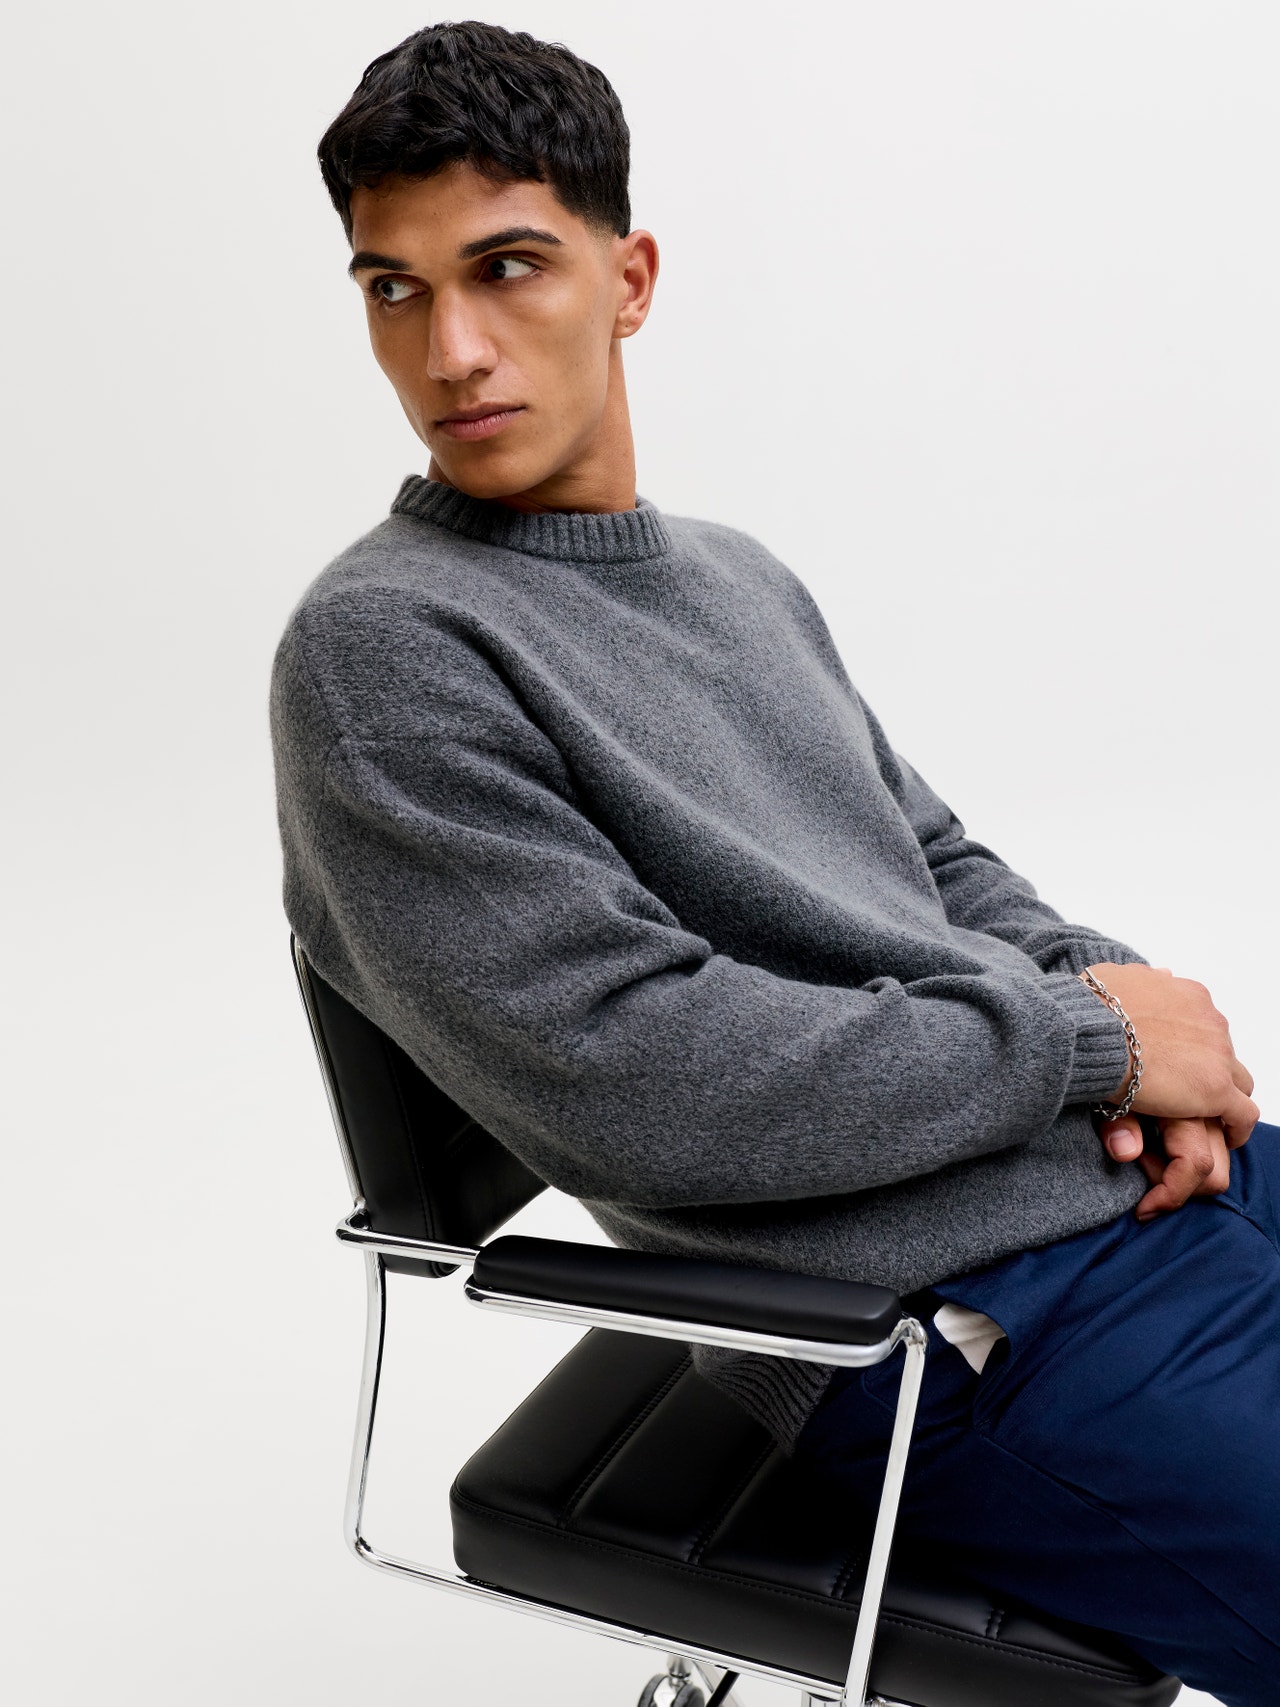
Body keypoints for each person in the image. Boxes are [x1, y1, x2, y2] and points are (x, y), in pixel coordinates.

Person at [269, 21, 1274, 1703]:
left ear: (628, 279)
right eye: (394, 289)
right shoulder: (387, 651)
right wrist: (1093, 1047)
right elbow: (634, 1077)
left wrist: (1142, 1022)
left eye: (506, 268)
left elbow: (935, 865)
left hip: (1128, 1189)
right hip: (943, 1330)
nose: (451, 349)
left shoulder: (733, 575)